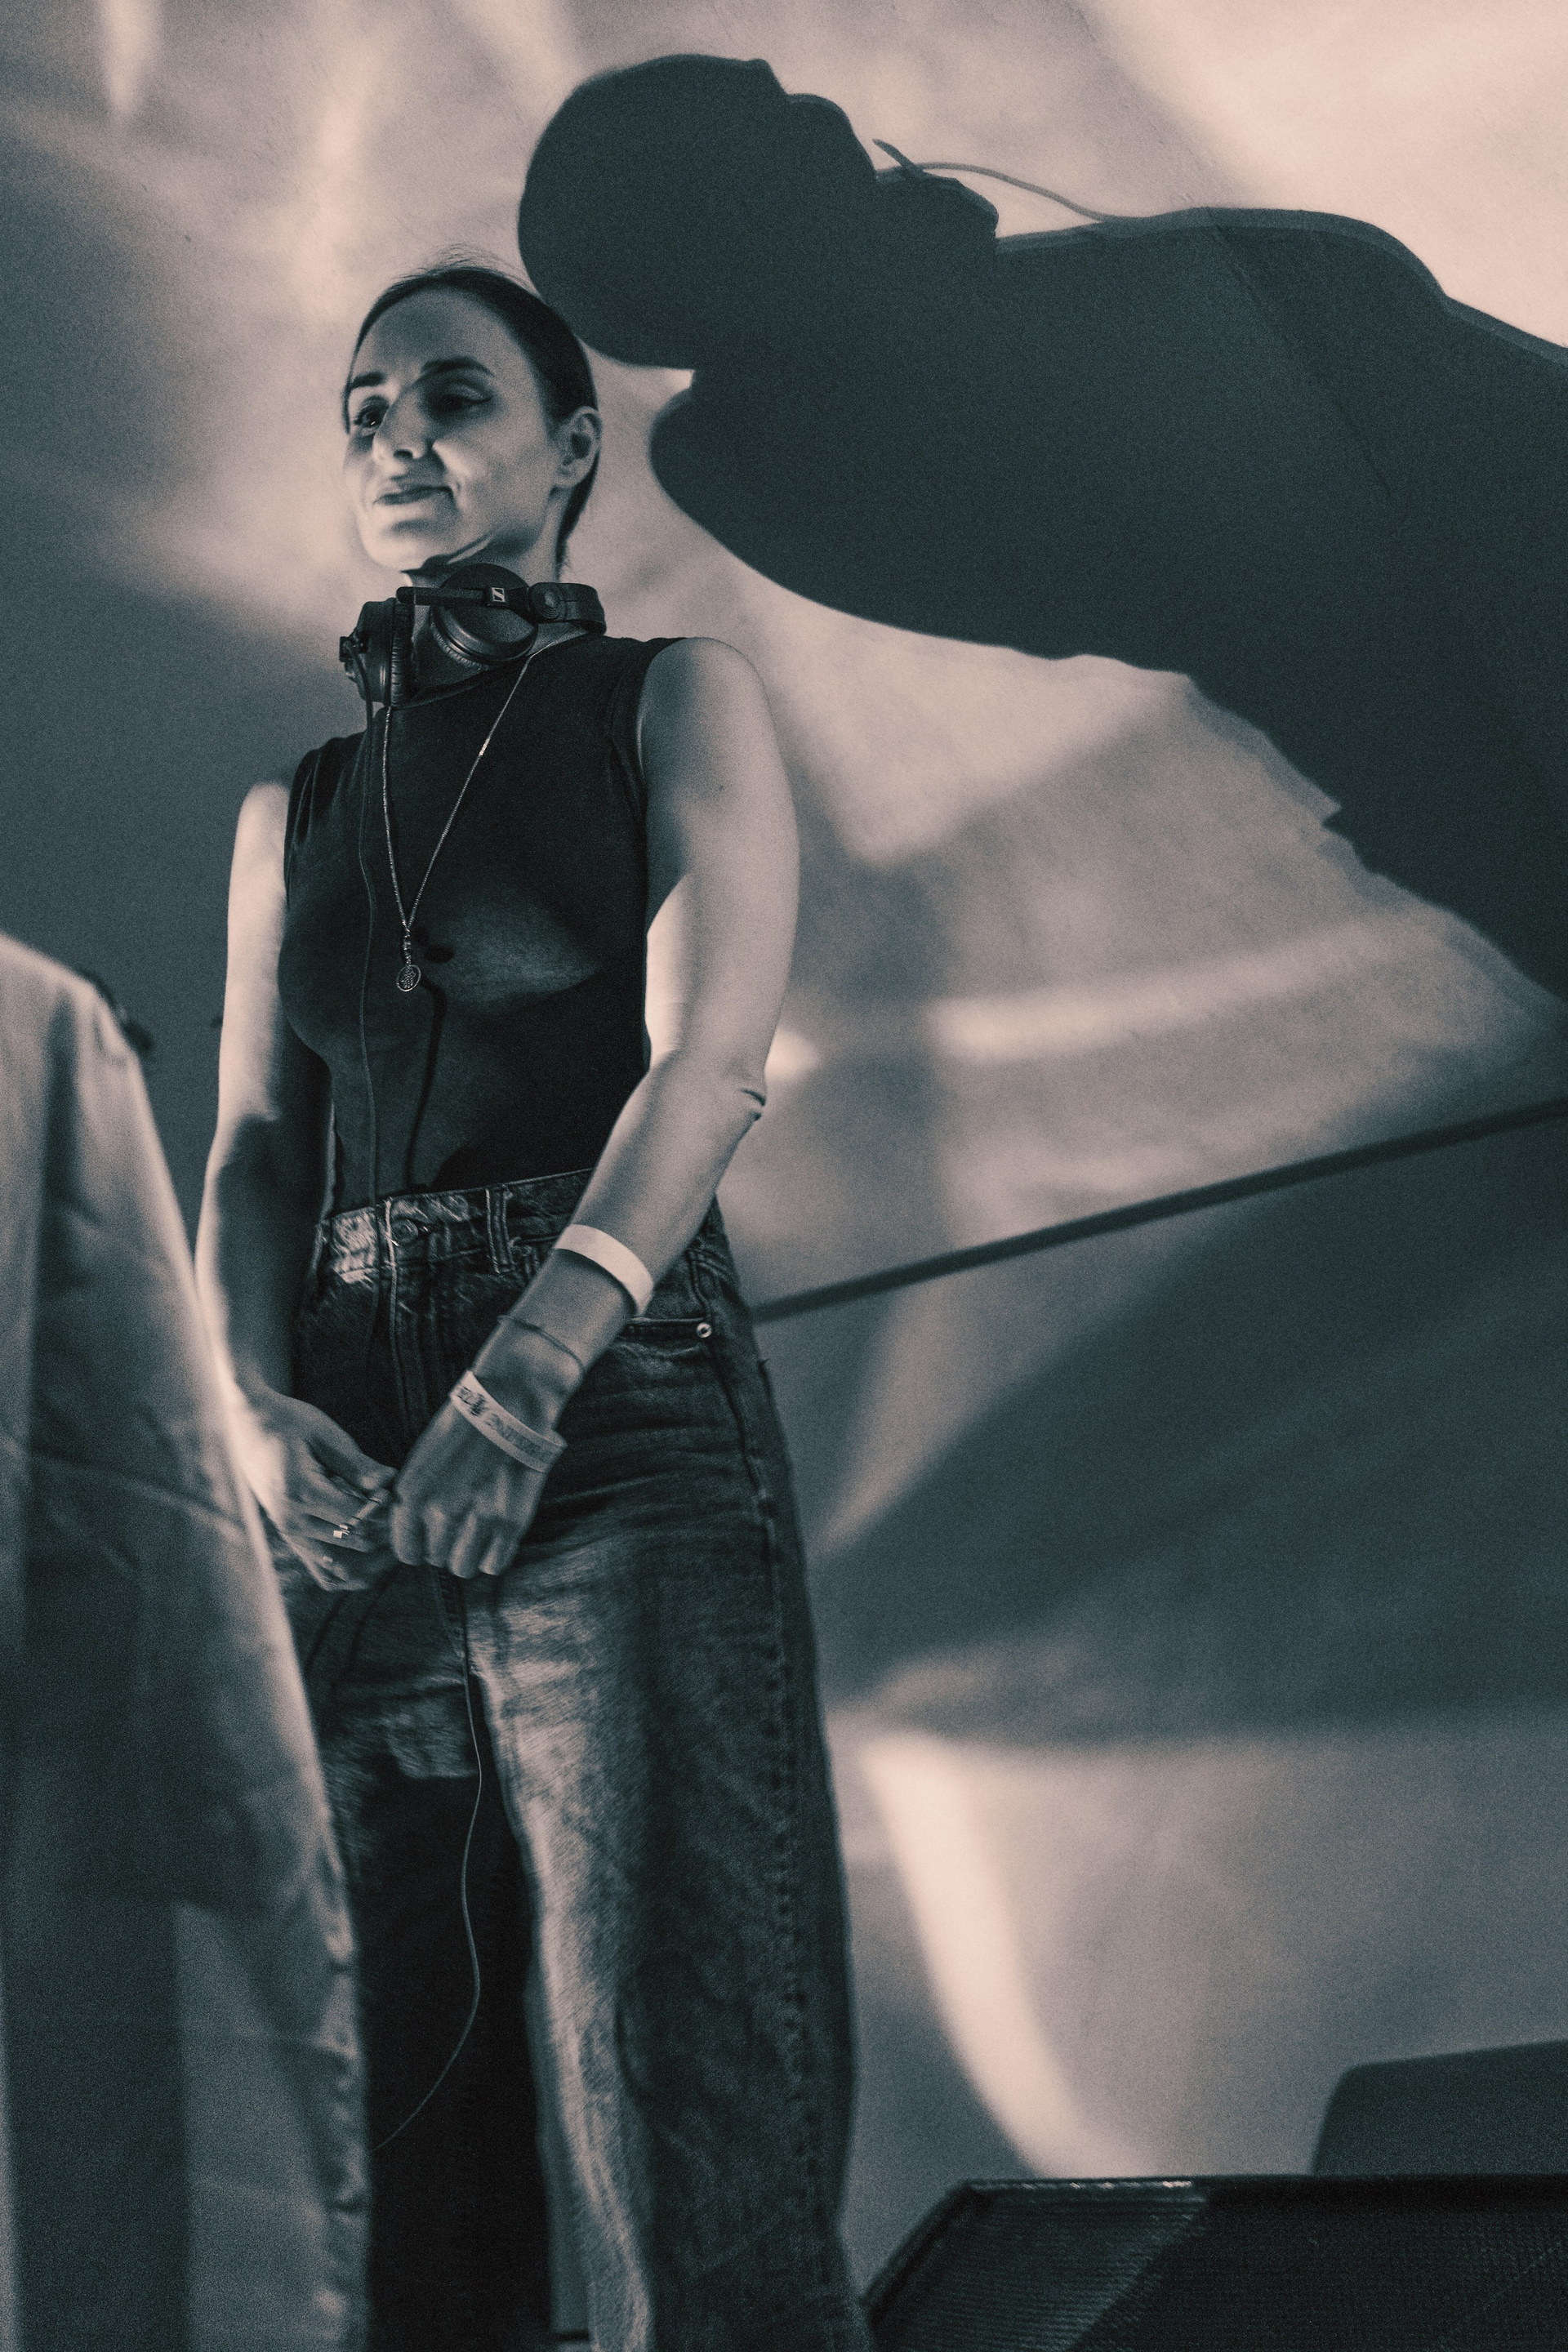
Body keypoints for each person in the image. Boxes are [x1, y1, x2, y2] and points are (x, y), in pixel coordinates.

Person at [196, 260, 870, 2352]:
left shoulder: (675, 698)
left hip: (610, 1415)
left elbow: (711, 1065)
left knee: (679, 2076)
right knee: (400, 2108)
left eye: (453, 396)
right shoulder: (292, 806)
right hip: (344, 1441)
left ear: (572, 447)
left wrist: (528, 1375)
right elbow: (253, 1146)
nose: (399, 437)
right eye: (364, 410)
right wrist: (243, 1404)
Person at [516, 55, 1568, 1000]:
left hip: (1434, 752)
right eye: (776, 117)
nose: (827, 115)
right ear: (732, 220)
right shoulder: (824, 422)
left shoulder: (762, 447)